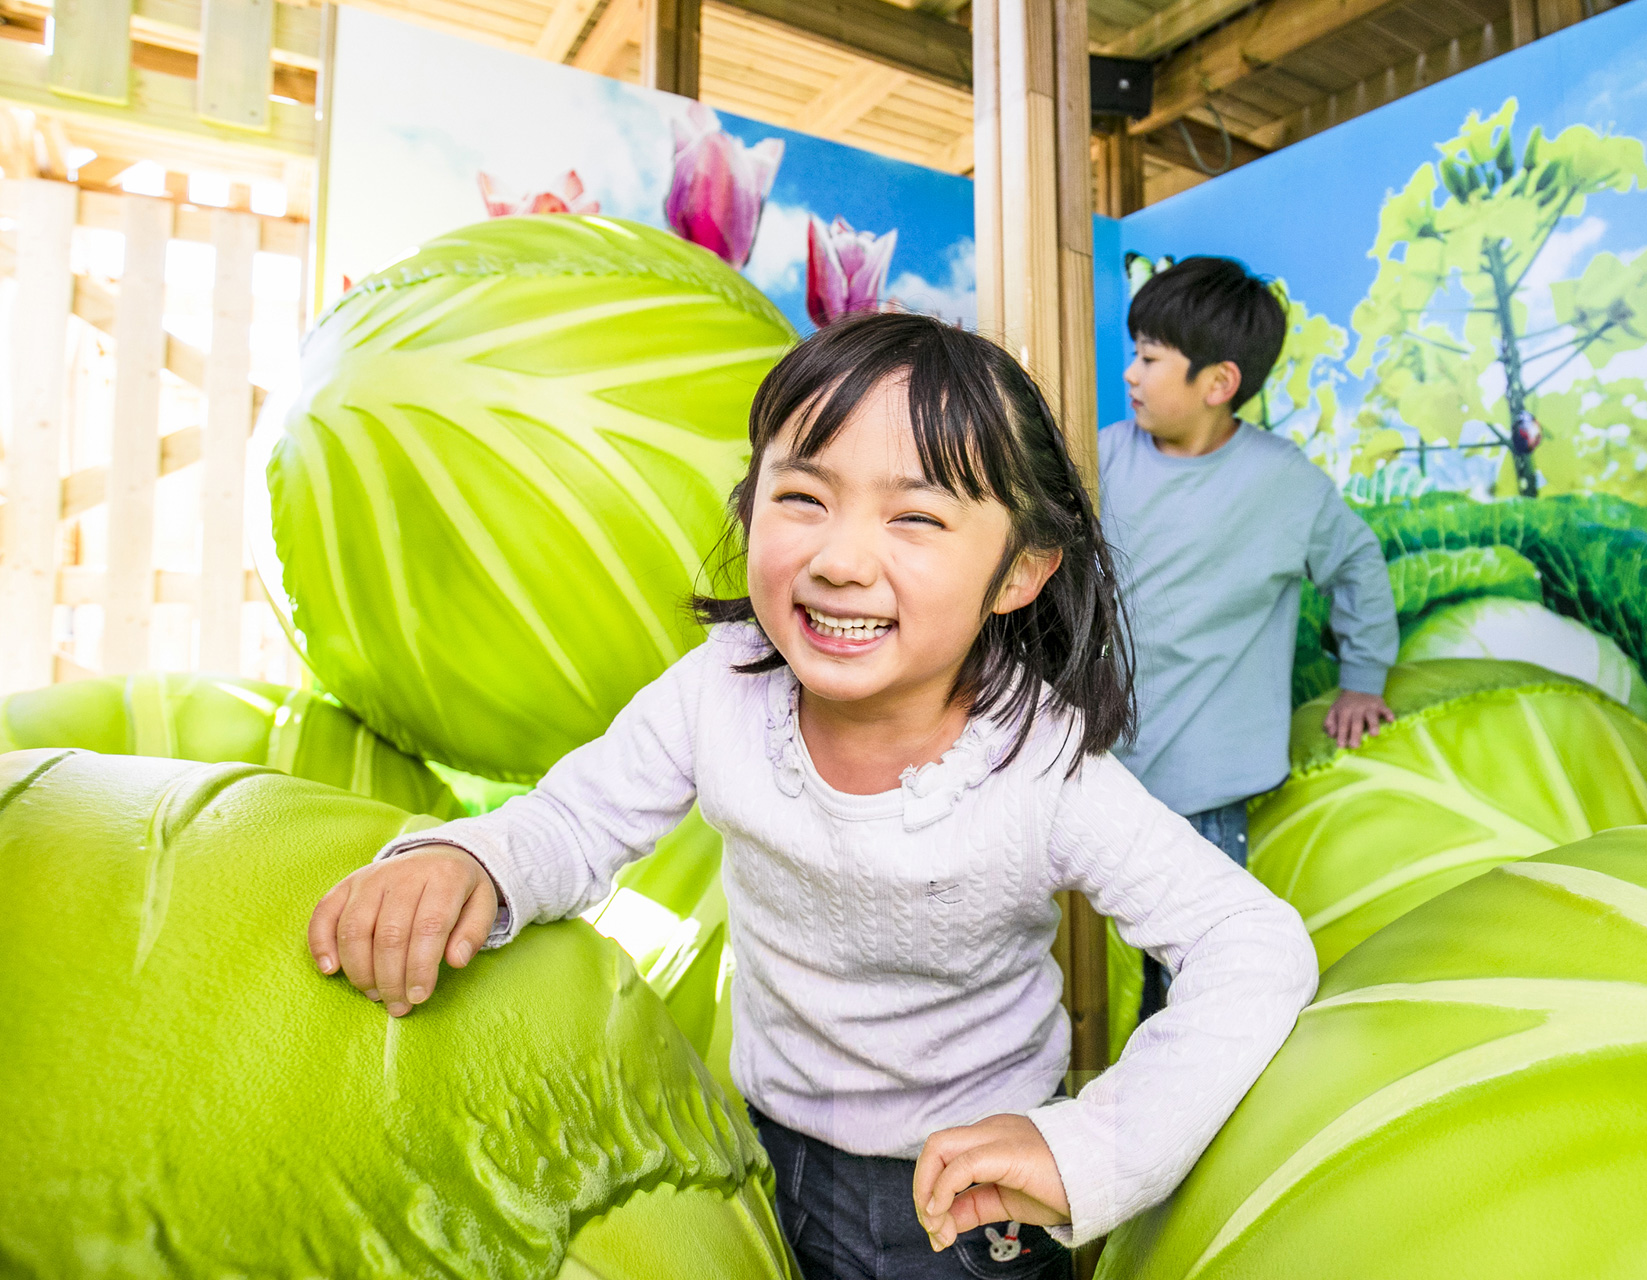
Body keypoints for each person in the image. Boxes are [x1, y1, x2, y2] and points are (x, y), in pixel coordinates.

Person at [305, 313, 1319, 1280]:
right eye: (802, 497)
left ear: (1020, 569)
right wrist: (469, 859)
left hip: (971, 1191)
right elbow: (574, 820)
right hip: (763, 1144)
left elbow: (1253, 943)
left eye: (916, 515)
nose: (838, 559)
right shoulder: (721, 687)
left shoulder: (1041, 767)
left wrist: (1093, 1148)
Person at [1101, 256, 1400, 1018]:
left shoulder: (1285, 482)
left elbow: (1358, 566)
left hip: (1209, 788)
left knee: (1199, 981)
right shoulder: (1100, 457)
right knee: (1103, 976)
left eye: (1148, 357)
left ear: (1217, 382)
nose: (1129, 372)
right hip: (1101, 774)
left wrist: (1363, 677)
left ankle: (1196, 1130)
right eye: (1134, 352)